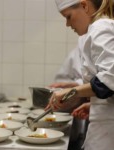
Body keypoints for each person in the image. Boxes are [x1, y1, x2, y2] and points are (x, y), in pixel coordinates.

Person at [45, 0, 114, 150]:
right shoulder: (102, 27)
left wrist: (70, 93)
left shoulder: (101, 27)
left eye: (69, 16)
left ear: (84, 6)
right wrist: (96, 105)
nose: (68, 24)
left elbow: (108, 82)